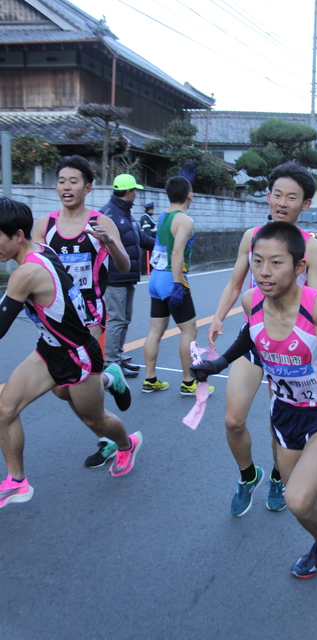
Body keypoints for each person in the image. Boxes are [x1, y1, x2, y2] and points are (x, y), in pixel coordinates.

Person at [190, 221, 317, 578]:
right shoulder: (252, 301)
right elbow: (251, 335)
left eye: (276, 263)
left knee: (298, 498)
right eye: (258, 261)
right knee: (299, 505)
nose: (264, 272)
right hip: (284, 414)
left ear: (299, 268)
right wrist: (220, 362)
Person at [0, 198, 142, 509]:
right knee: (5, 409)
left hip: (77, 355)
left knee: (95, 421)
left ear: (18, 236)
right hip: (50, 349)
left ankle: (125, 444)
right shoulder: (39, 249)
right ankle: (16, 481)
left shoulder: (25, 274)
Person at [207, 161, 317, 516]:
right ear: (268, 196)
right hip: (253, 337)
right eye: (277, 194)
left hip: (288, 348)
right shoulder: (252, 236)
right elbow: (235, 283)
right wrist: (217, 315)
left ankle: (277, 474)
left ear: (305, 204)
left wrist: (312, 351)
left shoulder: (310, 247)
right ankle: (248, 475)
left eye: (292, 197)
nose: (282, 202)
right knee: (233, 419)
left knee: (279, 423)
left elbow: (316, 303)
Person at [32, 155, 132, 423]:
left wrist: (109, 242)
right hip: (55, 313)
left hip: (89, 311)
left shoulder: (101, 222)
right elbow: (33, 267)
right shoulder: (45, 225)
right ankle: (112, 378)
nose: (66, 187)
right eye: (62, 181)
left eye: (73, 181)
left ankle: (106, 436)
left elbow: (124, 266)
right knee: (61, 388)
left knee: (80, 381)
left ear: (87, 188)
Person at [83, 174, 155, 468]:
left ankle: (118, 359)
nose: (136, 194)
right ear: (125, 192)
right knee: (115, 320)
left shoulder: (127, 214)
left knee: (124, 320)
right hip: (113, 278)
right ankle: (112, 359)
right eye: (133, 190)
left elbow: (139, 241)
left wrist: (161, 241)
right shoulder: (107, 214)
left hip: (128, 275)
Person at [142, 176, 213, 396]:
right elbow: (177, 252)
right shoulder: (185, 220)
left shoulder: (163, 216)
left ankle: (150, 379)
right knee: (189, 330)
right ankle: (188, 382)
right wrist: (176, 285)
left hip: (155, 277)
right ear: (189, 195)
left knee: (155, 331)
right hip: (172, 278)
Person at [140, 202, 156, 275]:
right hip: (147, 241)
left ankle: (149, 268)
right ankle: (145, 270)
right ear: (150, 209)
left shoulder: (148, 217)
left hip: (151, 240)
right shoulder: (145, 218)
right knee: (145, 255)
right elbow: (147, 231)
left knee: (150, 255)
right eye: (153, 209)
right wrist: (149, 240)